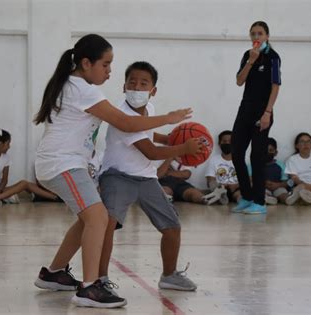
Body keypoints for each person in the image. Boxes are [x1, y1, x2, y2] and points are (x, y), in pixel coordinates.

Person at [32, 35, 192, 309]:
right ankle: (90, 287)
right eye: (106, 64)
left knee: (88, 219)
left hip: (65, 164)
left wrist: (165, 136)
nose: (109, 71)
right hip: (62, 164)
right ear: (86, 63)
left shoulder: (73, 84)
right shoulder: (84, 90)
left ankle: (55, 273)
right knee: (99, 217)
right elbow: (128, 124)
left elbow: (135, 124)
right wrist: (169, 118)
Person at [98, 61, 200, 297]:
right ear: (123, 87)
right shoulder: (121, 114)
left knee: (172, 226)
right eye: (132, 82)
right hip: (117, 176)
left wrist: (170, 140)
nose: (136, 87)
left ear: (153, 90)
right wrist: (183, 147)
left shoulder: (150, 110)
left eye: (143, 83)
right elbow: (150, 152)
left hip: (145, 177)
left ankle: (169, 276)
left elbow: (149, 133)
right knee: (107, 227)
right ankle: (100, 278)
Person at [232, 21, 281, 214]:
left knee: (256, 156)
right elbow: (239, 81)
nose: (256, 37)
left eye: (260, 33)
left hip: (263, 112)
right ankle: (247, 196)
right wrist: (251, 61)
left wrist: (267, 113)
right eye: (253, 34)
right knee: (236, 153)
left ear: (267, 36)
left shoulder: (273, 57)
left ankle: (259, 202)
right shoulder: (247, 55)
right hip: (245, 110)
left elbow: (275, 87)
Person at [0, 127, 59, 204]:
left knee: (25, 183)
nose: (9, 147)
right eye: (7, 144)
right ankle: (0, 198)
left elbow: (4, 180)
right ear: (0, 144)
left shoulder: (5, 158)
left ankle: (55, 198)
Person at [248, 137, 292, 205]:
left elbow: (286, 181)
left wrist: (278, 185)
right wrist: (262, 183)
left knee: (283, 193)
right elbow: (249, 179)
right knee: (261, 192)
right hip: (262, 188)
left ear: (276, 152)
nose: (267, 153)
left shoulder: (281, 165)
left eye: (270, 150)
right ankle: (268, 199)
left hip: (278, 187)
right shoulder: (253, 165)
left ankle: (288, 199)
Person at [204, 130, 241, 205]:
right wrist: (222, 186)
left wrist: (235, 185)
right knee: (213, 185)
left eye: (230, 141)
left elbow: (245, 180)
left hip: (236, 188)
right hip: (219, 188)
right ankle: (221, 196)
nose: (227, 143)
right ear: (219, 143)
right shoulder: (214, 160)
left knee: (240, 193)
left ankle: (241, 199)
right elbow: (210, 181)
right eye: (224, 141)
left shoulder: (239, 161)